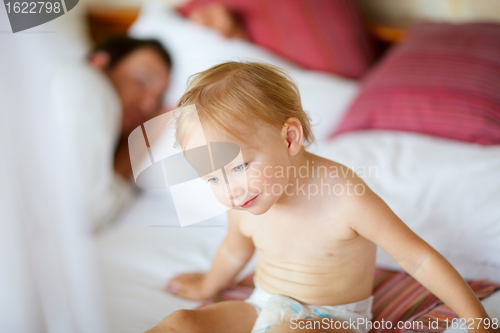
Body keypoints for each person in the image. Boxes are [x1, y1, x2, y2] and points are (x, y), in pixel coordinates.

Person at [145, 62, 495, 333]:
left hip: (333, 319)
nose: (229, 190)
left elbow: (418, 260)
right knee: (182, 323)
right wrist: (207, 284)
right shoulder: (244, 200)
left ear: (289, 138)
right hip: (263, 304)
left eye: (239, 167)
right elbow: (235, 249)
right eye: (212, 179)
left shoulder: (345, 196)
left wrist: (478, 320)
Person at [51, 36, 172, 230]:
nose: (149, 105)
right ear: (98, 62)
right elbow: (87, 212)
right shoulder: (86, 83)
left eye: (158, 100)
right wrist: (143, 139)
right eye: (141, 81)